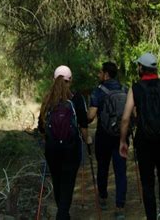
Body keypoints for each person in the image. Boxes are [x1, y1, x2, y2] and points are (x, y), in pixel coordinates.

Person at [119, 53, 160, 220]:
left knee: (147, 181)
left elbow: (126, 118)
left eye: (138, 66)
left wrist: (123, 141)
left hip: (144, 141)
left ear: (142, 68)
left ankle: (151, 216)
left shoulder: (135, 88)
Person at [38, 65, 88, 220]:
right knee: (68, 183)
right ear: (70, 80)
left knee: (58, 182)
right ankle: (62, 214)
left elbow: (41, 126)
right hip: (71, 149)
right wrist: (88, 140)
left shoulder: (48, 99)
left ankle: (63, 213)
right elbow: (84, 125)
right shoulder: (77, 98)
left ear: (54, 80)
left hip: (52, 150)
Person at [88, 62, 127, 220]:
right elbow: (134, 113)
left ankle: (103, 198)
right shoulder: (125, 89)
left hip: (103, 136)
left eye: (100, 72)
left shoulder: (98, 91)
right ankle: (120, 207)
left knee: (102, 167)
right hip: (121, 137)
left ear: (106, 74)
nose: (98, 75)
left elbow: (91, 116)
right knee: (121, 172)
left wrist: (82, 121)